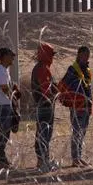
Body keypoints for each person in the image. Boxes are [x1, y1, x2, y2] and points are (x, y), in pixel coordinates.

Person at [58, 46, 93, 167]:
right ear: (78, 55)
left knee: (82, 132)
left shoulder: (87, 70)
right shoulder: (73, 69)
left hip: (86, 105)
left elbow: (87, 87)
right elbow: (66, 84)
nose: (86, 57)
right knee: (77, 131)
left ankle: (79, 156)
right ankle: (75, 158)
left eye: (87, 55)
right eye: (84, 55)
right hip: (76, 105)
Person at [31, 43, 59, 172]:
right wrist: (55, 94)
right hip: (45, 106)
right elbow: (46, 89)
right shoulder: (43, 68)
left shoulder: (40, 67)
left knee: (42, 133)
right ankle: (43, 162)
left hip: (42, 105)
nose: (52, 57)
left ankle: (41, 161)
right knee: (44, 134)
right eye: (51, 54)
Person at [0, 47, 18, 169]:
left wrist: (14, 88)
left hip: (4, 104)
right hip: (2, 105)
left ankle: (3, 158)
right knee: (3, 132)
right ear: (5, 56)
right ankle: (2, 158)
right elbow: (5, 88)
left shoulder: (4, 70)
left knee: (6, 131)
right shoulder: (1, 71)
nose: (13, 58)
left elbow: (8, 87)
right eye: (11, 55)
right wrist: (14, 95)